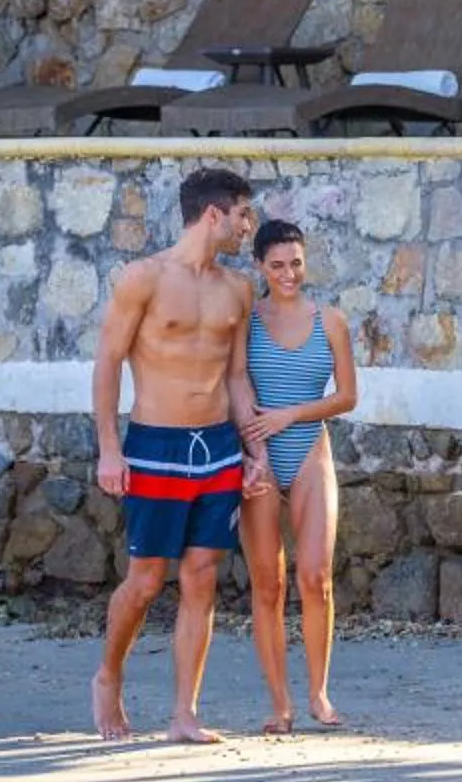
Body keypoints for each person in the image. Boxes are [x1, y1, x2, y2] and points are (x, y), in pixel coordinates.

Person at [89, 167, 263, 742]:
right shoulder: (144, 278)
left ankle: (184, 714)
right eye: (242, 214)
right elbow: (109, 362)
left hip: (215, 447)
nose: (248, 226)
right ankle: (109, 676)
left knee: (202, 577)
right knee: (143, 582)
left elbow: (237, 377)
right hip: (156, 444)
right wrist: (109, 450)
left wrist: (254, 449)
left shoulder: (238, 289)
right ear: (213, 214)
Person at [238, 217, 359, 734]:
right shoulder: (246, 320)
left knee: (316, 577)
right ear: (260, 266)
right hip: (258, 456)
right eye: (277, 265)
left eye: (296, 263)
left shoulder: (329, 320)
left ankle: (318, 694)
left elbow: (347, 397)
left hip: (310, 450)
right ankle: (280, 704)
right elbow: (233, 385)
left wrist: (290, 414)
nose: (288, 274)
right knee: (268, 585)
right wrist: (254, 447)